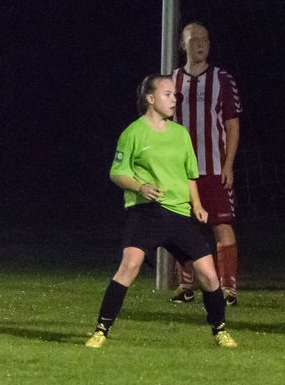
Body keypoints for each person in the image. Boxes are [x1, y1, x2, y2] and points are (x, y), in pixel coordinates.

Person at [86, 75, 236, 348]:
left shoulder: (180, 134)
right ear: (150, 98)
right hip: (146, 212)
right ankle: (100, 330)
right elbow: (117, 173)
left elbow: (191, 175)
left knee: (209, 274)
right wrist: (140, 186)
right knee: (129, 265)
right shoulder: (132, 133)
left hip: (178, 214)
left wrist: (198, 206)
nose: (174, 99)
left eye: (175, 95)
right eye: (167, 94)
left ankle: (220, 330)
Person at [169, 22, 243, 304]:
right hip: (180, 170)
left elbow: (232, 124)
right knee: (179, 227)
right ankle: (186, 286)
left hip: (213, 167)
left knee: (221, 226)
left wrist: (229, 164)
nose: (200, 45)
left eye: (205, 40)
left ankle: (228, 288)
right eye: (193, 40)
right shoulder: (171, 81)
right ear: (182, 45)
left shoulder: (222, 80)